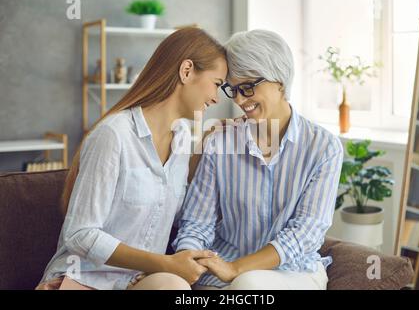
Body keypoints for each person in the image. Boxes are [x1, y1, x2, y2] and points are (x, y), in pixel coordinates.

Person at [36, 27, 227, 290]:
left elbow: (176, 212)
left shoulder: (182, 138)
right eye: (217, 84)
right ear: (186, 71)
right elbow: (79, 234)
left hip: (135, 281)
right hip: (84, 279)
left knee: (173, 286)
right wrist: (163, 263)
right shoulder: (114, 135)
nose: (217, 98)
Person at [173, 29, 344, 290]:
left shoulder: (324, 148)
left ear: (280, 82)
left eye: (248, 88)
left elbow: (305, 232)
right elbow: (198, 222)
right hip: (221, 268)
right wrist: (186, 261)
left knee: (249, 283)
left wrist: (236, 269)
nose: (240, 100)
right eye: (234, 90)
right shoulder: (221, 141)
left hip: (292, 271)